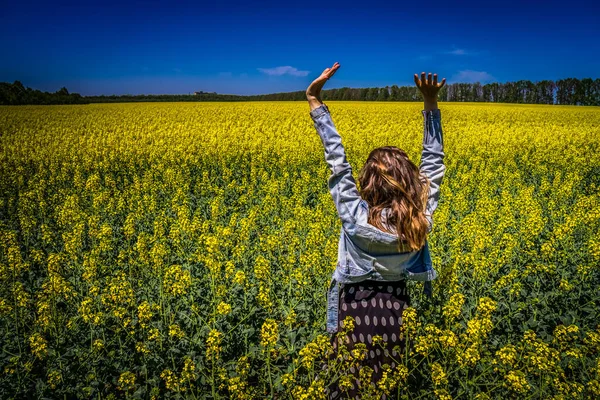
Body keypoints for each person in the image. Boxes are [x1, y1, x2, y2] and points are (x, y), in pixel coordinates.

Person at [306, 62, 446, 399]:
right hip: (395, 307)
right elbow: (434, 162)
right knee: (387, 384)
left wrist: (314, 99)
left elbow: (336, 161)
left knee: (347, 381)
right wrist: (430, 104)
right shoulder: (419, 218)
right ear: (411, 181)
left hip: (353, 307)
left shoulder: (355, 216)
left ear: (366, 180)